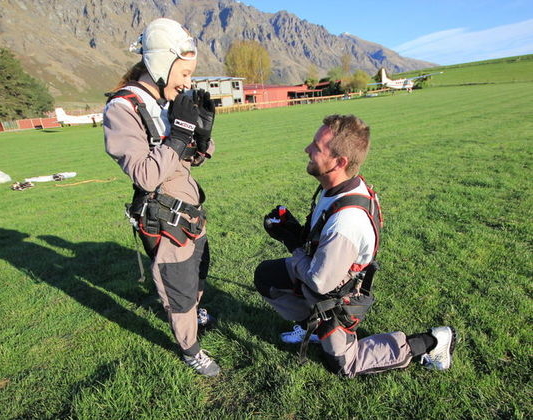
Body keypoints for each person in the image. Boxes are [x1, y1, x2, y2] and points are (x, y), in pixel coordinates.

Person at [254, 114, 456, 377]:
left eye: (316, 147)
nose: (307, 149)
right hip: (327, 268)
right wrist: (294, 231)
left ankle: (433, 342)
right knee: (267, 276)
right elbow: (322, 241)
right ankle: (314, 327)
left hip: (337, 293)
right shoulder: (339, 187)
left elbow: (320, 282)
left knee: (344, 365)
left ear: (339, 162)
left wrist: (291, 242)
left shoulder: (346, 222)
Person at [103, 18, 219, 377]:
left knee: (199, 271)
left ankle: (194, 315)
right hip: (164, 215)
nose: (187, 83)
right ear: (160, 65)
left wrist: (202, 137)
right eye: (183, 74)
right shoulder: (123, 109)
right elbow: (146, 174)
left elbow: (190, 160)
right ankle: (190, 349)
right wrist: (180, 135)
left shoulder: (167, 102)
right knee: (178, 287)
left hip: (190, 209)